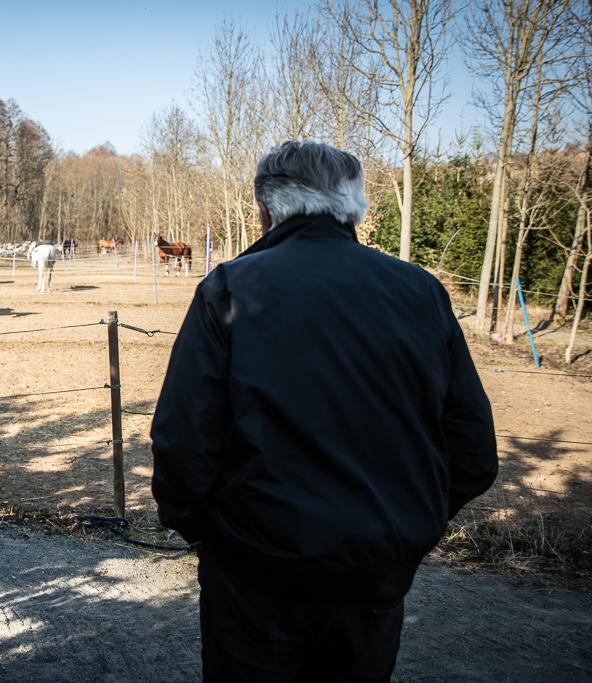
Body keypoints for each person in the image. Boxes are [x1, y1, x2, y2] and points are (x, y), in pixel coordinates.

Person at [150, 141, 498, 682]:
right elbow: (473, 454)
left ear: (265, 211)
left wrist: (202, 531)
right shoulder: (421, 293)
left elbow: (182, 441)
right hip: (374, 578)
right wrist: (404, 527)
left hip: (255, 572)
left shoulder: (230, 288)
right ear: (353, 207)